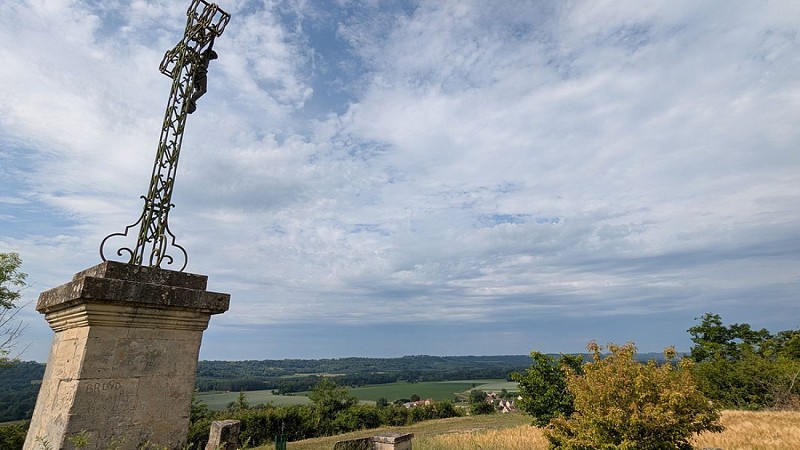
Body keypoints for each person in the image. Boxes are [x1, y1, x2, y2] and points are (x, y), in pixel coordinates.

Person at [187, 34, 217, 114]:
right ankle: (192, 100)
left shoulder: (201, 56)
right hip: (201, 72)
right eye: (212, 57)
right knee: (203, 90)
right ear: (210, 54)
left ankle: (192, 101)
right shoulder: (205, 55)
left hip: (196, 72)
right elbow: (210, 46)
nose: (211, 59)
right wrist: (213, 37)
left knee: (198, 89)